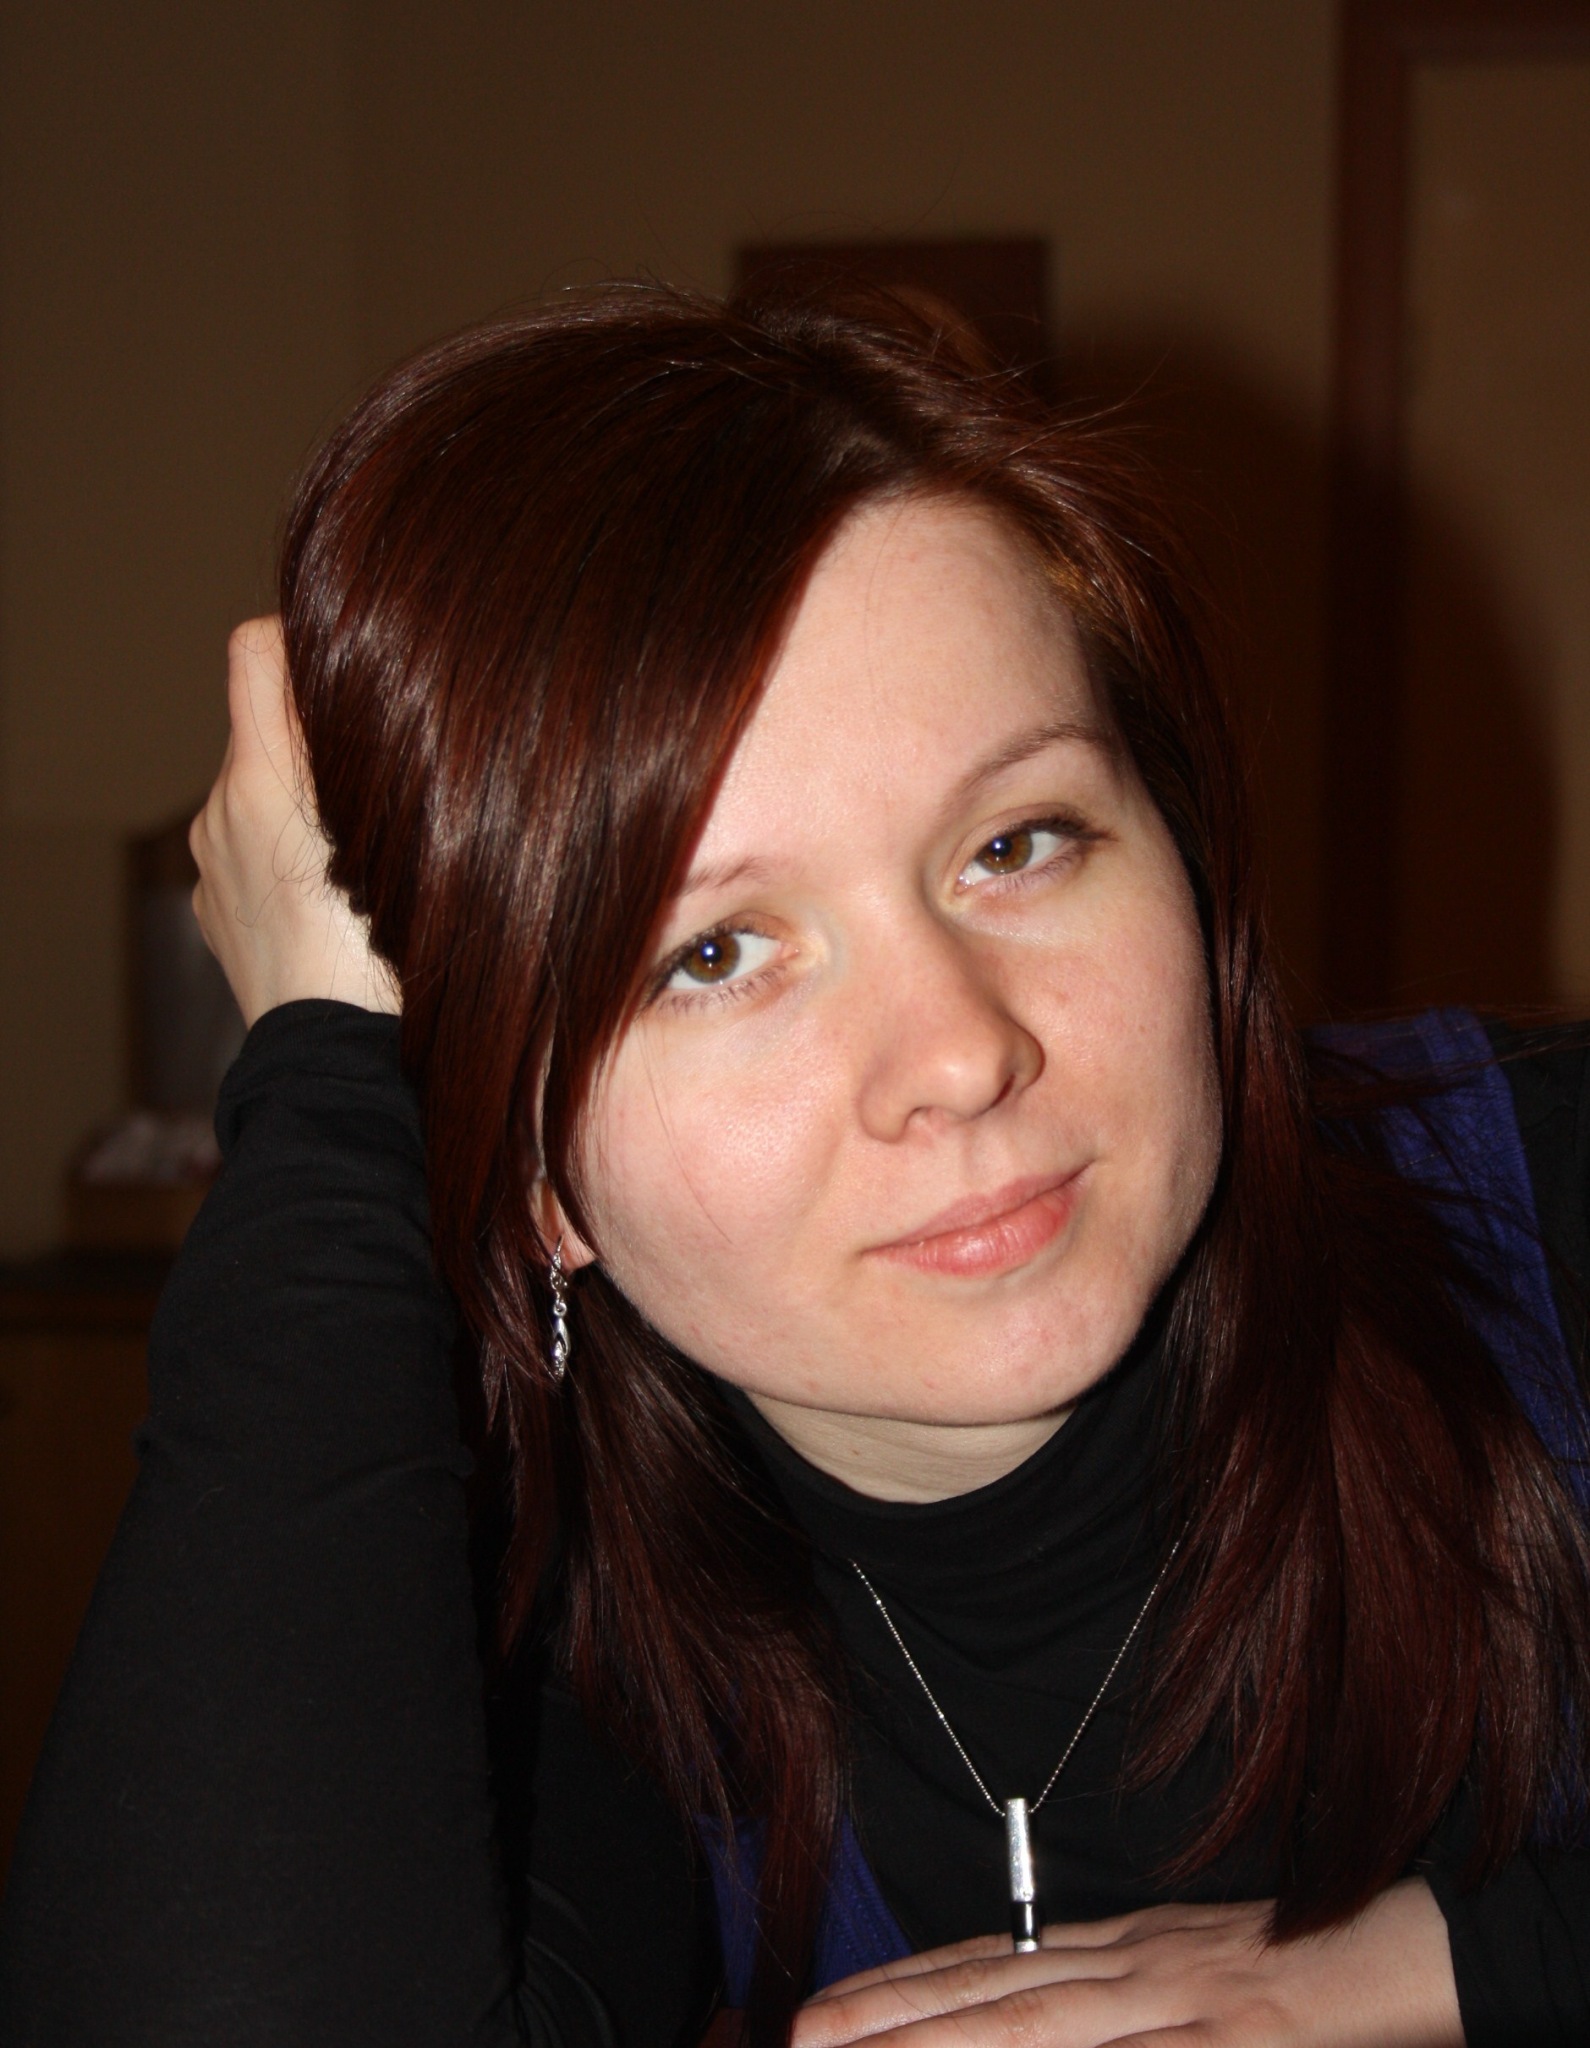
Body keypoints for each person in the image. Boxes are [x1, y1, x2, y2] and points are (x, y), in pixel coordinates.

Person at [2, 280, 1588, 2048]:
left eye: (1016, 842)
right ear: (529, 1176)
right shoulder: (572, 1637)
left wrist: (1463, 1965)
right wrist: (323, 1075)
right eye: (712, 953)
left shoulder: (1547, 1194)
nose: (958, 1053)